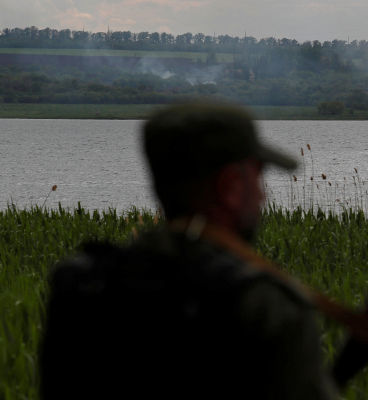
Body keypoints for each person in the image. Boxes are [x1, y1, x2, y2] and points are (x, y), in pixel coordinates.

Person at [40, 103, 339, 400]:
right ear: (230, 186)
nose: (263, 194)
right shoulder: (267, 308)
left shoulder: (80, 285)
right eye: (257, 177)